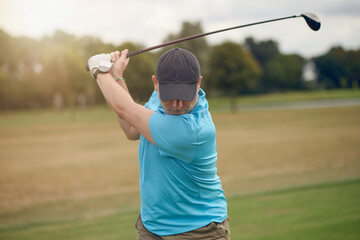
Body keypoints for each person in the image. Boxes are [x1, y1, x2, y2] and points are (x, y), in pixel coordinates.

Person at [88, 48, 230, 239]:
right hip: (152, 227)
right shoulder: (158, 100)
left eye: (184, 95)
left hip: (198, 230)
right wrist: (117, 77)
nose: (177, 104)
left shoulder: (194, 130)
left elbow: (124, 109)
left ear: (198, 84)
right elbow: (132, 129)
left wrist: (99, 71)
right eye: (170, 95)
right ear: (156, 84)